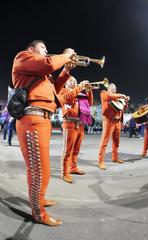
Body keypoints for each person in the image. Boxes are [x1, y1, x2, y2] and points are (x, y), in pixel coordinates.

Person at [12, 40, 75, 226]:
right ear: (31, 49)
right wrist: (65, 56)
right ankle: (38, 213)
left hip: (44, 119)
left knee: (43, 168)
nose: (47, 51)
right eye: (43, 48)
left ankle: (40, 199)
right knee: (39, 170)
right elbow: (47, 64)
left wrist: (65, 71)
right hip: (32, 119)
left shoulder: (43, 74)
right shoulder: (23, 57)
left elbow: (55, 92)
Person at [59, 76, 93, 183]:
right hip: (69, 123)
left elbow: (89, 104)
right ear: (65, 84)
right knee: (67, 151)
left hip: (80, 124)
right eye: (71, 81)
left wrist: (89, 91)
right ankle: (65, 173)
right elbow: (68, 98)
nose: (73, 83)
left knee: (76, 150)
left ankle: (73, 168)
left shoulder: (80, 94)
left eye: (75, 81)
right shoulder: (63, 91)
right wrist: (79, 87)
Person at [98, 83, 129, 170]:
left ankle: (115, 157)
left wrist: (126, 102)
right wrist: (121, 95)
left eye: (115, 87)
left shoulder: (118, 98)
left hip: (117, 121)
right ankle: (101, 161)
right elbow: (109, 96)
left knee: (116, 141)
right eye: (112, 87)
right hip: (109, 120)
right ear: (108, 88)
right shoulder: (104, 93)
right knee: (105, 141)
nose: (114, 88)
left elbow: (124, 108)